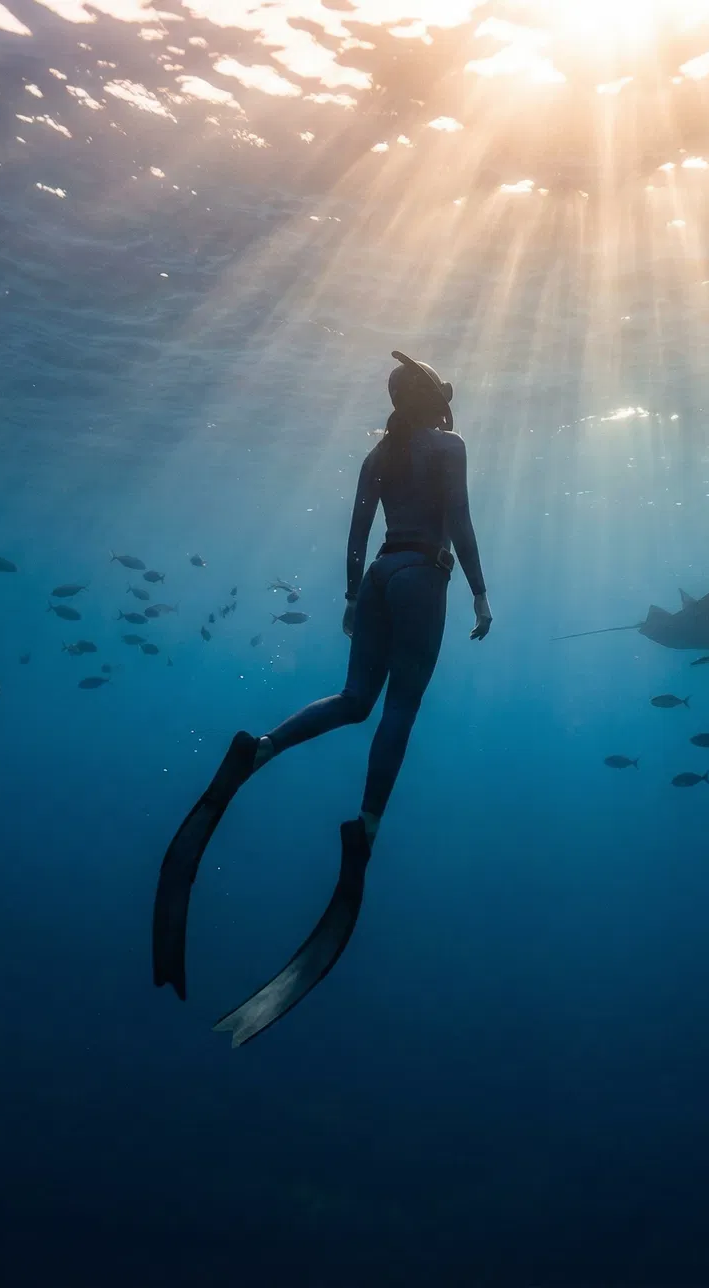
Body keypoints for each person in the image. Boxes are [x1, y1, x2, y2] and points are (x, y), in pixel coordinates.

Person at [153, 352, 491, 1046]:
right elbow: (458, 519)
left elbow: (357, 529)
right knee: (399, 708)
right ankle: (366, 826)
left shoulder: (380, 454)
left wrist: (348, 595)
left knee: (353, 697)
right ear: (434, 400)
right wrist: (481, 591)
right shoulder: (448, 446)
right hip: (424, 575)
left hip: (376, 577)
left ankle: (262, 749)